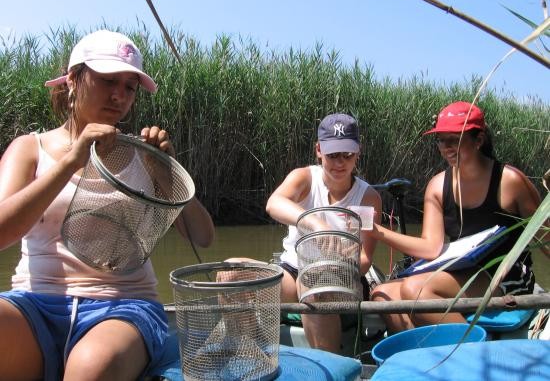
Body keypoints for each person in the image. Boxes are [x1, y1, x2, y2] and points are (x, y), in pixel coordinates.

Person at [0, 30, 214, 380]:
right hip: (34, 302)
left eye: (129, 87)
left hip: (123, 307)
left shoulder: (143, 155)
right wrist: (71, 161)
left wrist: (168, 172)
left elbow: (202, 236)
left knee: (91, 366)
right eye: (107, 81)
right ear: (72, 79)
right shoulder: (29, 148)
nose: (119, 96)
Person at [369, 101, 541, 333]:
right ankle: (420, 359)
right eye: (441, 139)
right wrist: (376, 231)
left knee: (417, 291)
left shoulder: (509, 181)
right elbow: (431, 248)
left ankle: (475, 351)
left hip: (506, 275)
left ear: (478, 140)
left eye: (455, 139)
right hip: (461, 270)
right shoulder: (438, 186)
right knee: (383, 294)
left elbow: (545, 235)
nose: (446, 147)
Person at [227, 113, 381, 353]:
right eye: (332, 155)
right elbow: (274, 203)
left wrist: (338, 263)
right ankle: (251, 356)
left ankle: (330, 368)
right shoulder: (305, 178)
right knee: (231, 272)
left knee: (314, 281)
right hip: (292, 272)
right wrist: (318, 225)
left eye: (347, 155)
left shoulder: (368, 197)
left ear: (358, 151)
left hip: (341, 280)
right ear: (318, 150)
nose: (340, 163)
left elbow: (364, 261)